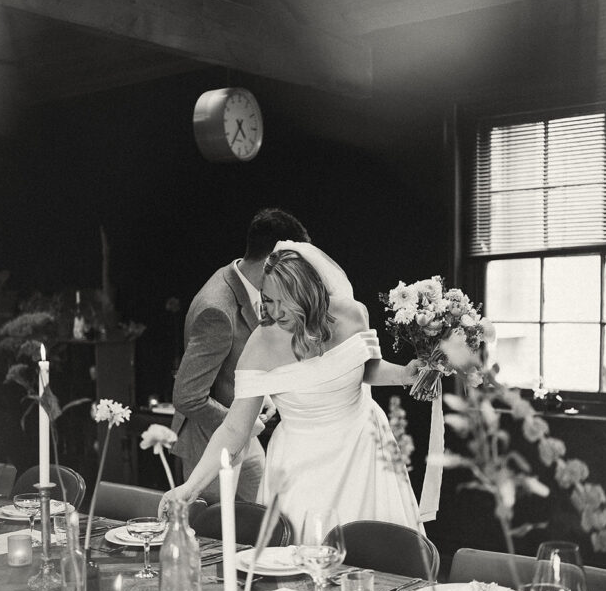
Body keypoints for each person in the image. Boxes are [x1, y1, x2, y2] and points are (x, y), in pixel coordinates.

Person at [162, 241, 425, 538]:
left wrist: (405, 373)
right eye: (267, 300)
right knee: (302, 556)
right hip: (301, 465)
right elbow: (234, 429)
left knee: (375, 554)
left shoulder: (353, 315)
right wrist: (190, 487)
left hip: (364, 451)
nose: (273, 312)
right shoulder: (262, 344)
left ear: (307, 291)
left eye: (282, 300)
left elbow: (366, 368)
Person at [171, 208, 310, 503]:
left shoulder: (241, 278)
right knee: (211, 534)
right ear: (271, 260)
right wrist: (243, 422)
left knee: (269, 514)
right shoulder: (217, 310)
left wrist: (265, 394)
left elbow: (236, 362)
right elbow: (187, 396)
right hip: (210, 437)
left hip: (245, 432)